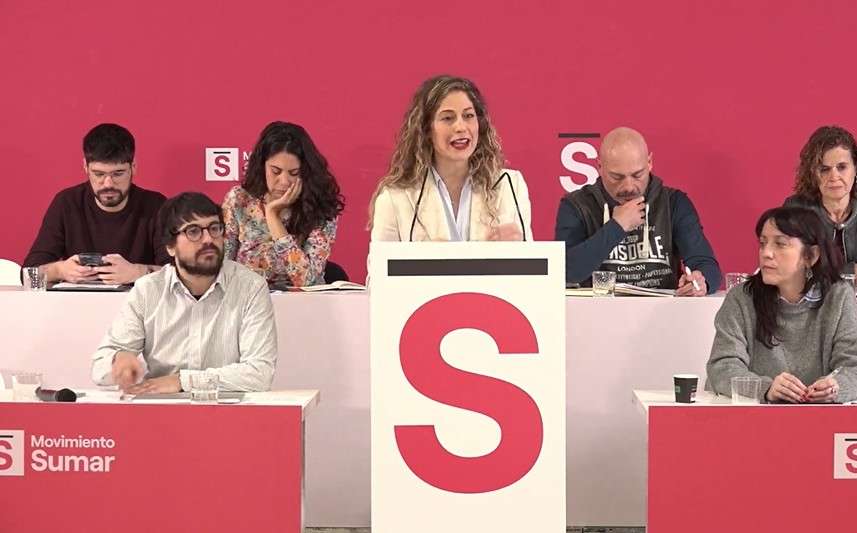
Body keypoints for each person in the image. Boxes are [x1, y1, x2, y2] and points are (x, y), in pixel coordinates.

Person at [91, 192, 278, 393]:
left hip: (226, 408)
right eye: (193, 231)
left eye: (214, 228)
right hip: (162, 407)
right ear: (170, 246)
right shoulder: (147, 290)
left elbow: (260, 373)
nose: (208, 239)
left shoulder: (250, 287)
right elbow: (99, 367)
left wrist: (183, 381)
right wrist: (119, 361)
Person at [706, 206, 857, 403]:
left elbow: (856, 368)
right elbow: (722, 367)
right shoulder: (741, 297)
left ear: (811, 256)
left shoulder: (839, 296)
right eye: (763, 243)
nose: (766, 253)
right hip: (755, 416)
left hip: (820, 417)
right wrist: (765, 389)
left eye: (780, 244)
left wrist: (836, 387)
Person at [555, 127, 720, 295]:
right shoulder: (577, 206)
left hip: (662, 309)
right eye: (617, 177)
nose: (629, 187)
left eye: (637, 175)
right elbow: (565, 274)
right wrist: (617, 227)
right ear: (599, 167)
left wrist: (701, 281)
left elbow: (706, 265)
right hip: (596, 309)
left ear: (649, 163)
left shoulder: (673, 203)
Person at [369, 75, 532, 242]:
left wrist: (519, 248)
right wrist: (422, 257)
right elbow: (381, 260)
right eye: (448, 118)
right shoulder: (395, 197)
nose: (461, 127)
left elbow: (532, 258)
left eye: (468, 116)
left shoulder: (511, 186)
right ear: (426, 129)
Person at [24, 123, 169, 284]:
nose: (108, 184)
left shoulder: (156, 206)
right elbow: (28, 276)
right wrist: (60, 270)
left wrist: (138, 272)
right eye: (99, 174)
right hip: (77, 300)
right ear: (85, 167)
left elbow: (180, 276)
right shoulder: (66, 203)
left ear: (133, 167)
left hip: (137, 299)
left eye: (118, 173)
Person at [222, 121, 344, 287]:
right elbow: (222, 269)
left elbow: (308, 281)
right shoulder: (239, 200)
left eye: (294, 173)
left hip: (302, 300)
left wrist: (273, 216)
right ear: (262, 166)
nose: (284, 181)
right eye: (276, 171)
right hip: (246, 297)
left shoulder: (320, 206)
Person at [783, 125, 857, 288]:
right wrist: (848, 272)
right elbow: (790, 269)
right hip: (811, 302)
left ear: (856, 169)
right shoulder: (795, 209)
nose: (834, 176)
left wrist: (843, 287)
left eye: (842, 167)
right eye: (824, 169)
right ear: (813, 173)